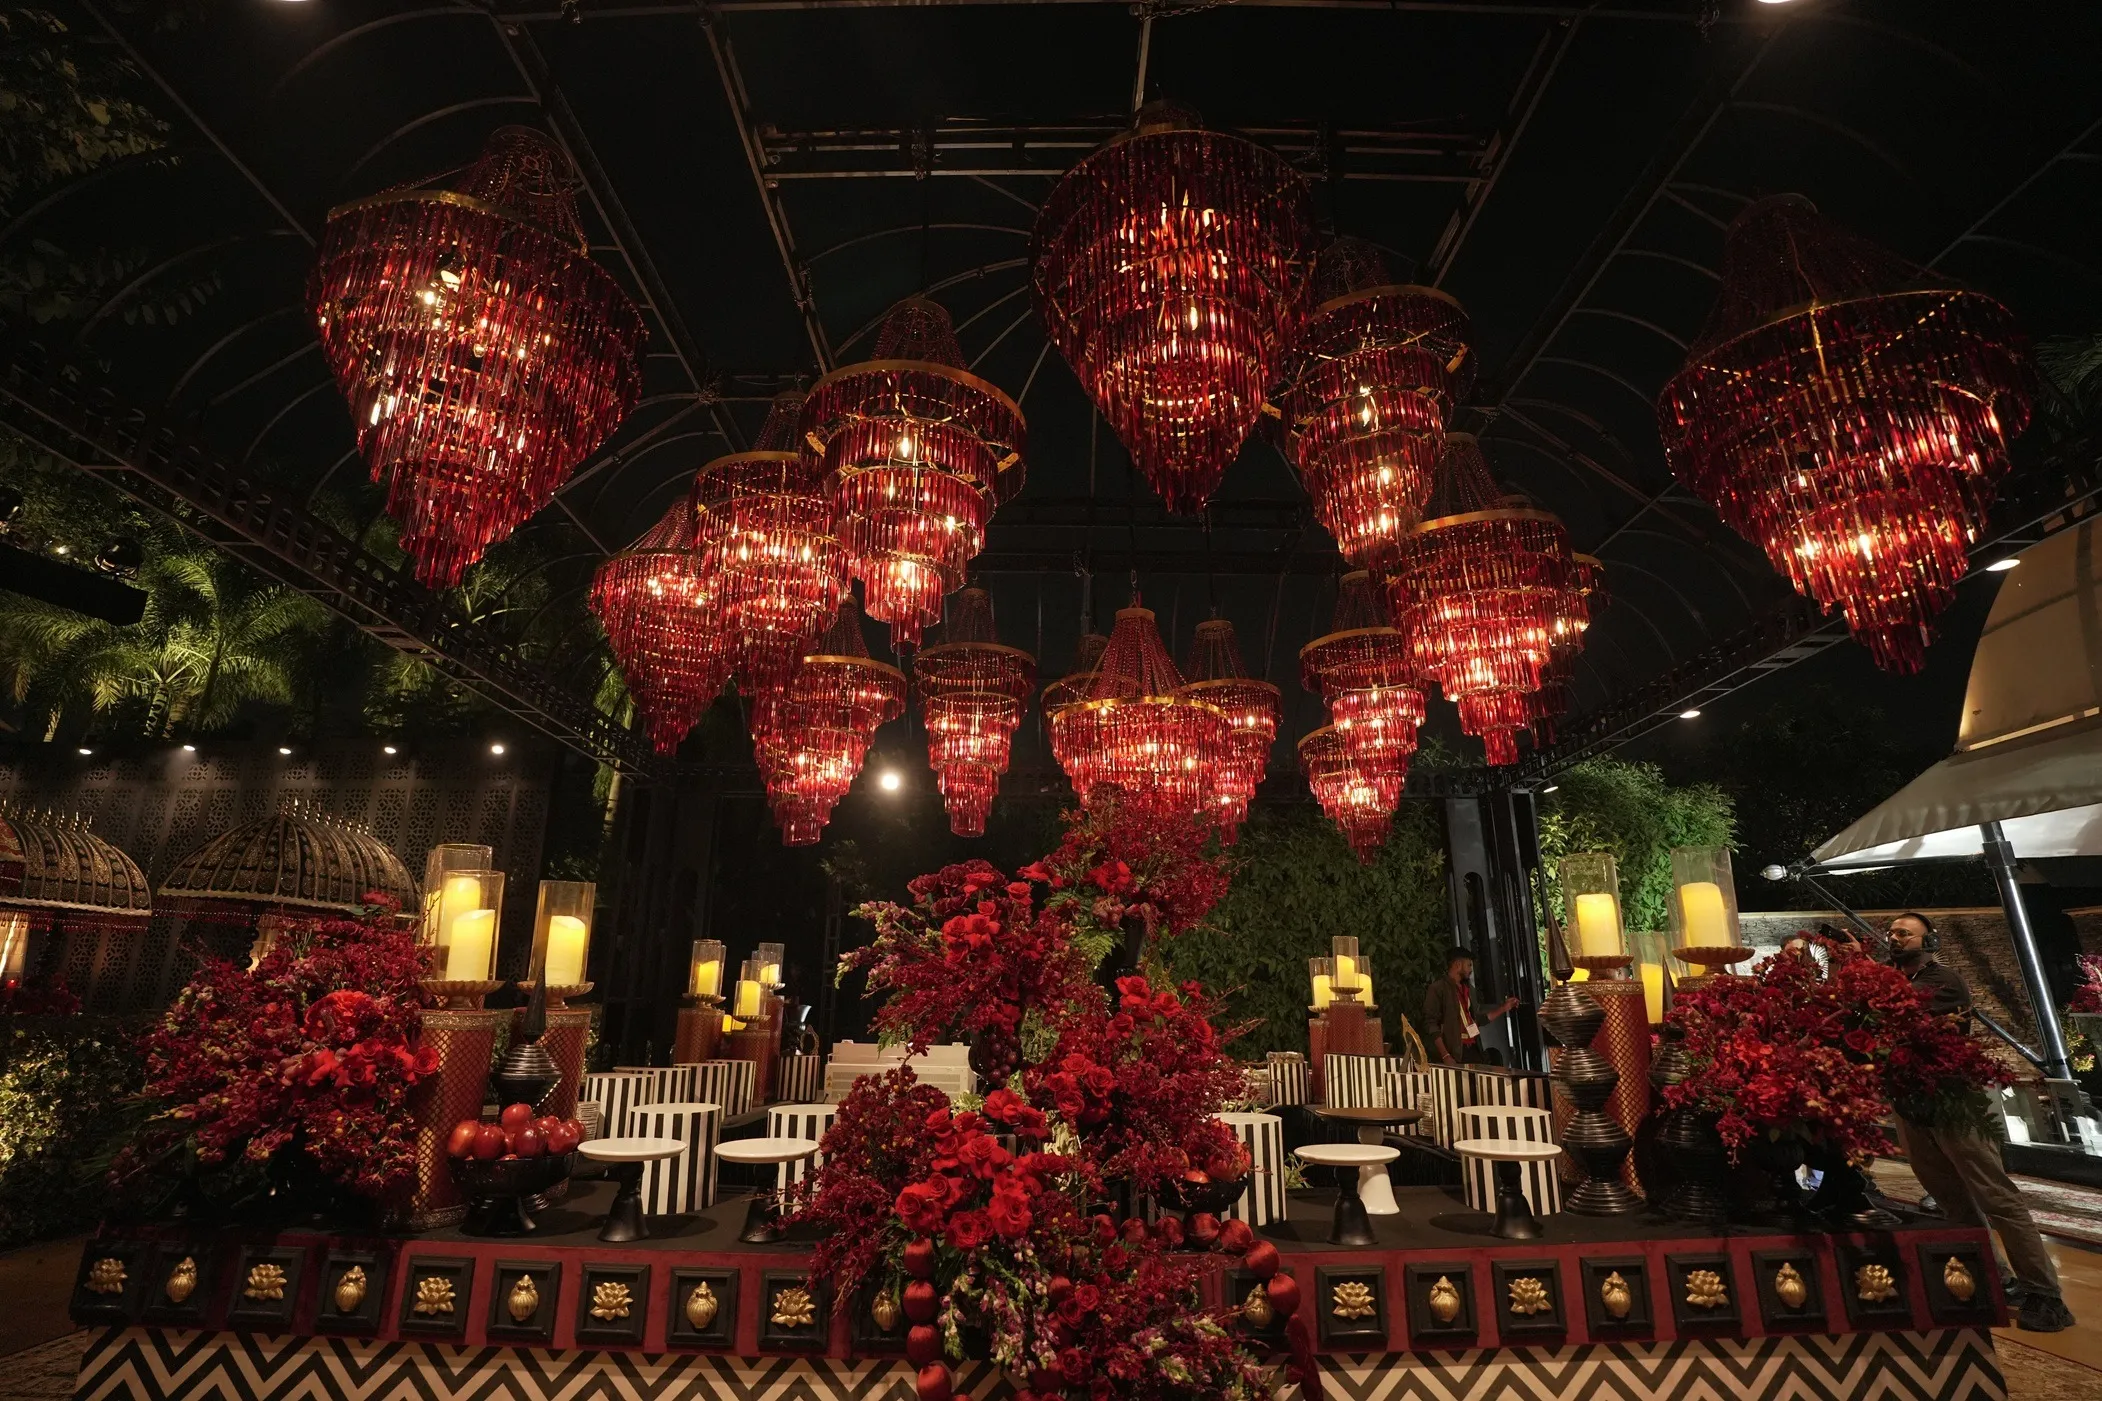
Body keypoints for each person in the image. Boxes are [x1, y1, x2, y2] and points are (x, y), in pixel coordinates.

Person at [1886, 911, 2073, 1332]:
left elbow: (1900, 1026)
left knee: (1996, 1196)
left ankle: (2044, 1293)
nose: (1894, 938)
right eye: (1892, 932)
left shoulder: (1943, 982)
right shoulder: (1887, 981)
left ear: (1929, 941)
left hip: (1953, 1101)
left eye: (1905, 933)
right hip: (1910, 1103)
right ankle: (1996, 1278)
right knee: (1951, 1200)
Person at [1423, 946, 1519, 1066]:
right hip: (1455, 1052)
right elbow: (1431, 1025)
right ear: (1458, 964)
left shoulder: (1468, 990)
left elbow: (1477, 1019)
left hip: (1473, 1047)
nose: (1471, 969)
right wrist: (1445, 1055)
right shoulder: (1438, 989)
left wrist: (1504, 1008)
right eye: (1469, 965)